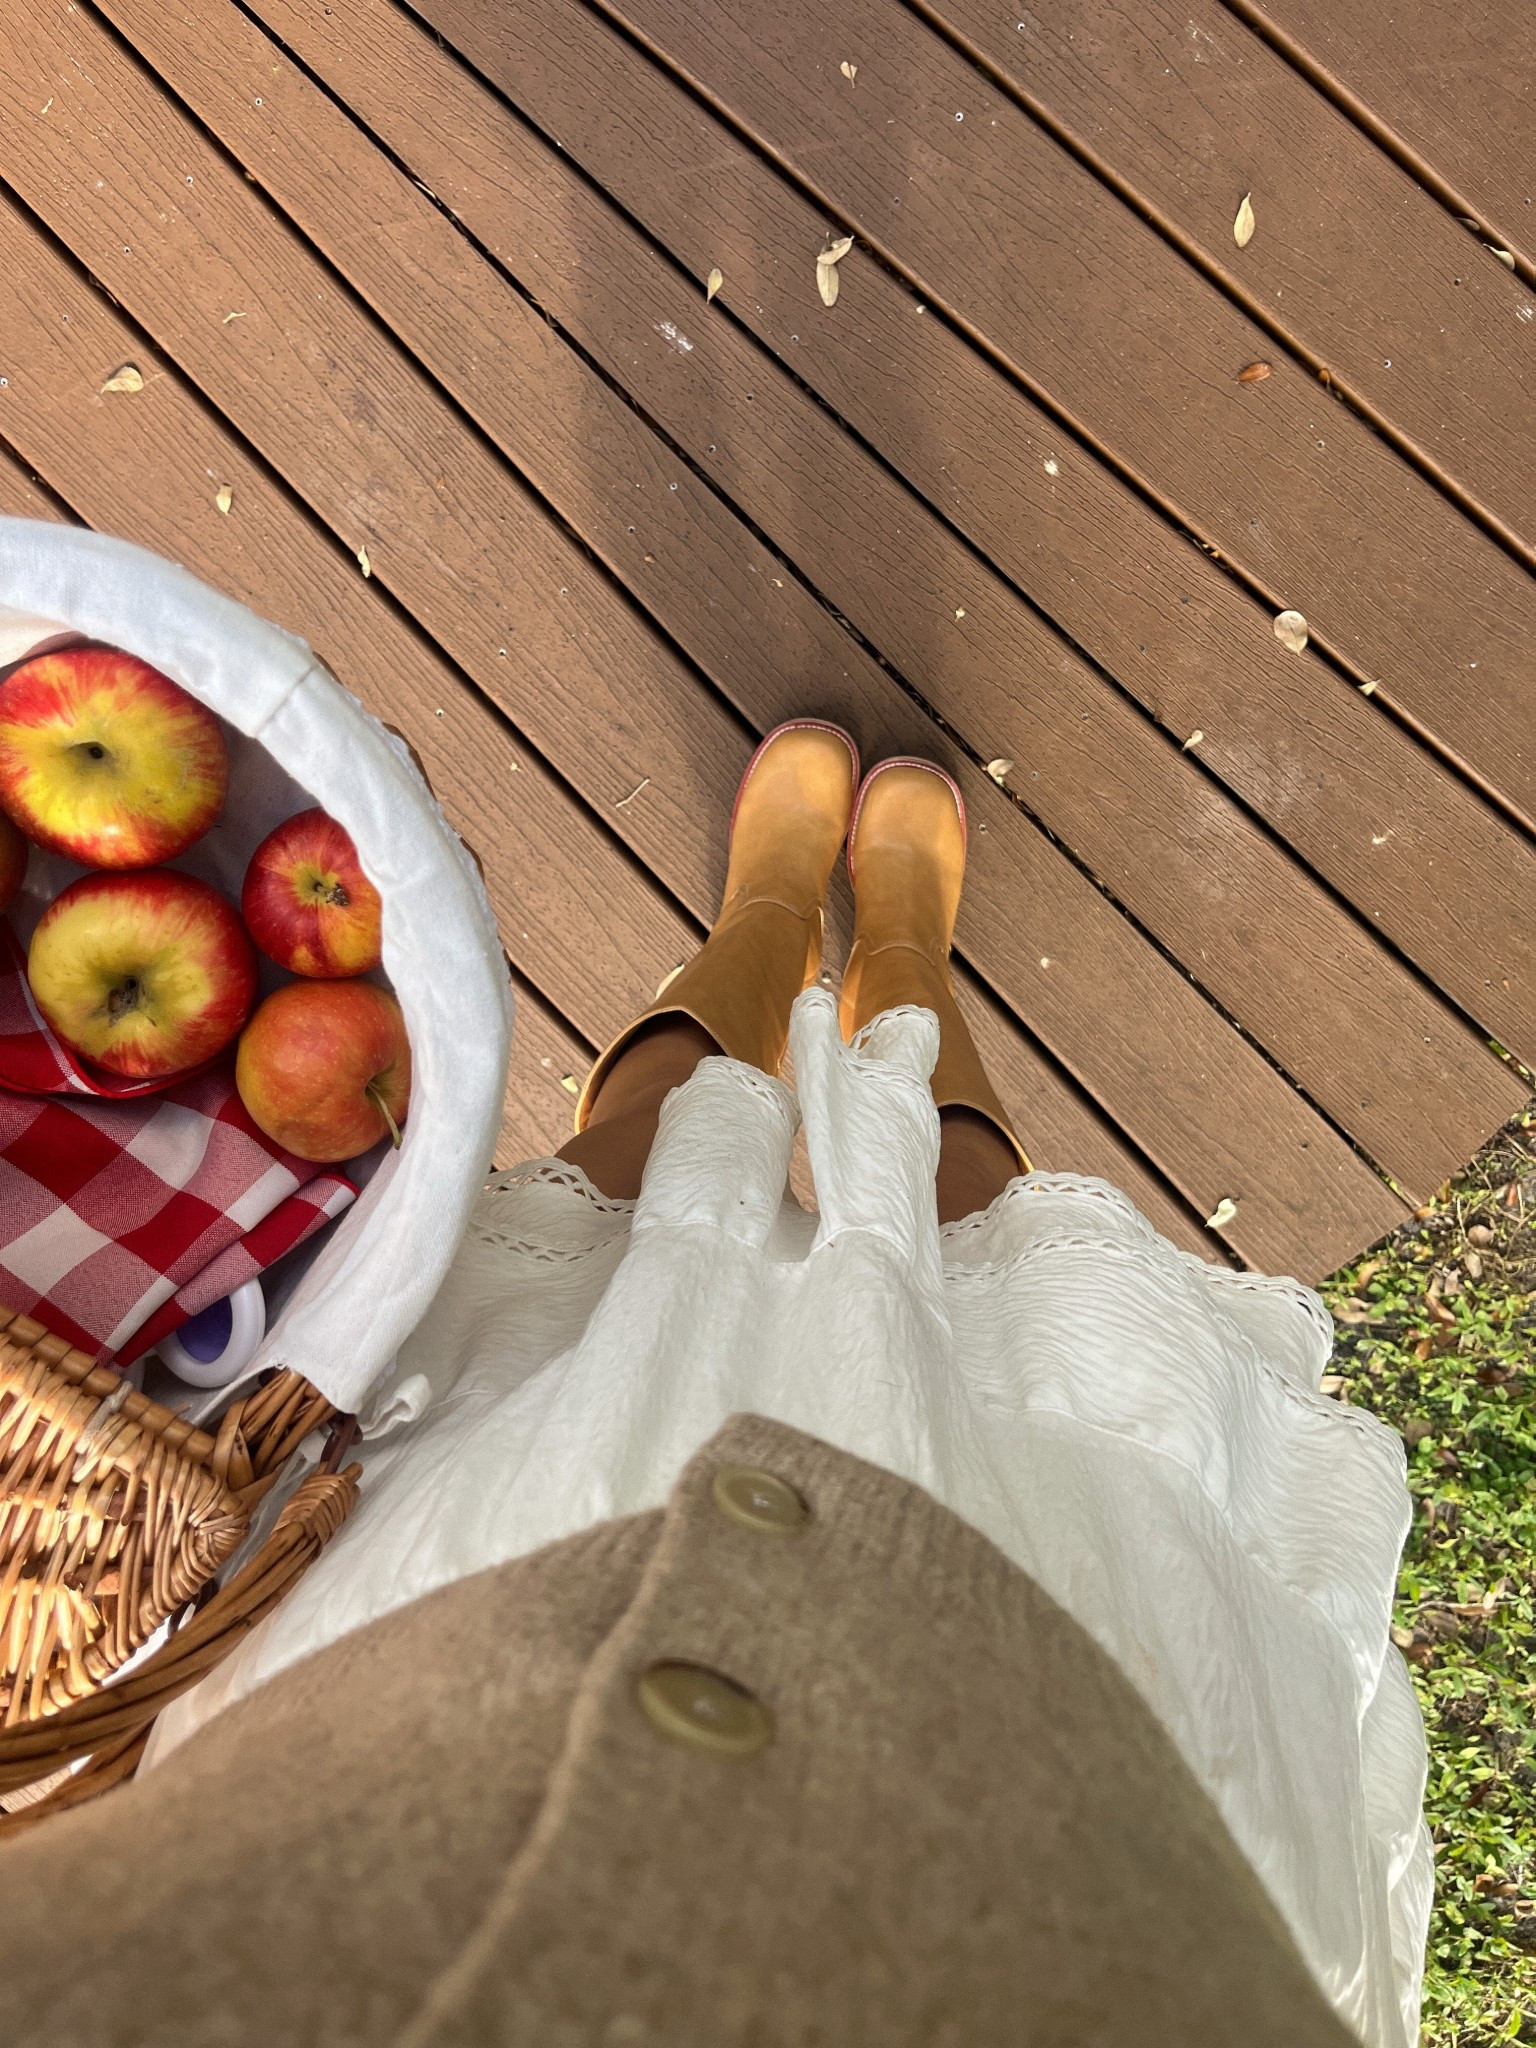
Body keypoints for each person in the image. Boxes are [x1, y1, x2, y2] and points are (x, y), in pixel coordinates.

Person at [0, 724, 1428, 2047]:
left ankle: (768, 934)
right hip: (1098, 1781)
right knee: (1000, 1287)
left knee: (618, 1222)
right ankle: (903, 968)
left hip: (355, 1707)